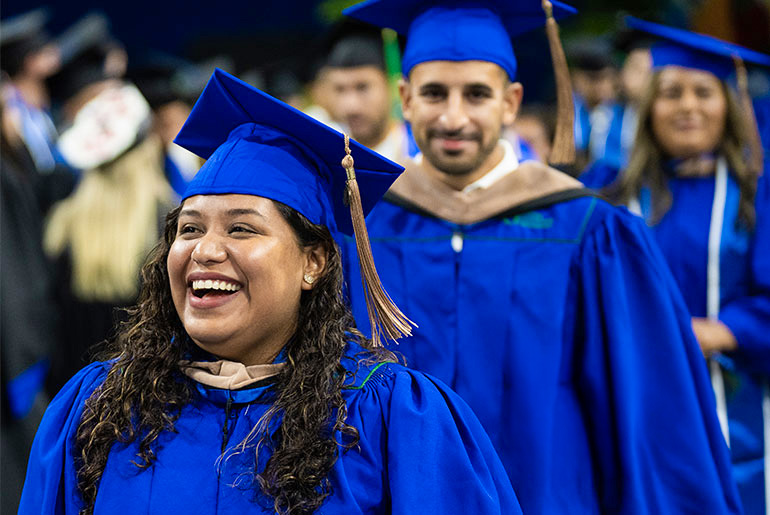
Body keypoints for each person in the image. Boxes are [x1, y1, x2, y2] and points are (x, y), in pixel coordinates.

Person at [19, 69, 520, 514]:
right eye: (189, 230)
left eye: (241, 230)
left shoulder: (389, 419)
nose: (205, 251)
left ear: (314, 262)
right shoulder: (100, 408)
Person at [342, 1, 741, 512]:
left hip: (550, 495)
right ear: (406, 99)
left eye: (477, 95)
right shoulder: (360, 228)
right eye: (435, 93)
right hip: (398, 494)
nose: (454, 116)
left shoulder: (586, 229)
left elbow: (647, 409)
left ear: (511, 102)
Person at [580, 17, 770, 514]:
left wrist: (725, 330)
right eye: (671, 93)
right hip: (632, 395)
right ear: (649, 108)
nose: (687, 106)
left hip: (734, 399)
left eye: (703, 92)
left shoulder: (757, 195)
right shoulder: (611, 198)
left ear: (727, 106)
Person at [42, 18, 175, 395]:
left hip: (72, 402)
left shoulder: (59, 226)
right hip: (144, 404)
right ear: (147, 145)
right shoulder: (168, 224)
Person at [322, 20, 410, 163]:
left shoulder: (419, 154)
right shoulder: (325, 156)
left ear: (393, 85)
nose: (351, 106)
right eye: (340, 89)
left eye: (362, 87)